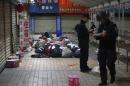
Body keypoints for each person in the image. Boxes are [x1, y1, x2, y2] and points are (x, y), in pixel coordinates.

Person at [93, 11, 118, 86]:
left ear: (106, 17)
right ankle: (103, 80)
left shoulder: (113, 25)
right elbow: (97, 36)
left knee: (110, 63)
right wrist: (98, 35)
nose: (101, 21)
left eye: (102, 19)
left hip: (110, 48)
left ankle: (113, 74)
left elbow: (114, 35)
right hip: (102, 48)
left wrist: (105, 36)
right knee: (102, 64)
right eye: (100, 20)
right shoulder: (101, 25)